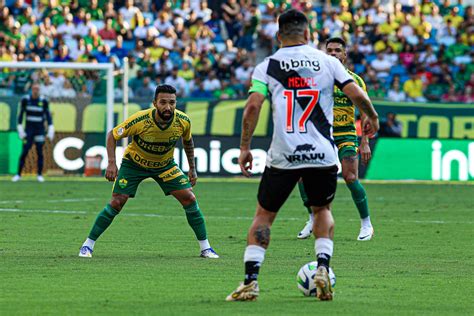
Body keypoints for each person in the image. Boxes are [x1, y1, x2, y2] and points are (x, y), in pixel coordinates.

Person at [226, 10, 379, 302]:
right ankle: (323, 268)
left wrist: (245, 146)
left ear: (278, 35)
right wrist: (372, 116)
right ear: (308, 35)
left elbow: (252, 108)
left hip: (284, 154)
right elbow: (356, 93)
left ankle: (250, 282)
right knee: (323, 211)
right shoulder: (329, 62)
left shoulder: (267, 66)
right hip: (322, 153)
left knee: (264, 216)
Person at [78, 84, 219, 259]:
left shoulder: (183, 121)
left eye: (172, 103)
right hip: (134, 164)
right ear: (154, 103)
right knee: (117, 202)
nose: (168, 107)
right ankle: (87, 245)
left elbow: (188, 142)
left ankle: (206, 248)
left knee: (189, 198)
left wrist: (192, 168)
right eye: (163, 102)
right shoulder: (140, 120)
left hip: (164, 165)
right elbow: (112, 135)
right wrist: (112, 163)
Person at [297, 37, 375, 242]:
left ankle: (366, 223)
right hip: (320, 134)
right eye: (329, 50)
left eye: (337, 50)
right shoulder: (314, 79)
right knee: (302, 175)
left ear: (344, 54)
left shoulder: (355, 81)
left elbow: (365, 111)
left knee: (350, 177)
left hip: (346, 133)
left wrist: (365, 141)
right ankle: (312, 218)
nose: (332, 54)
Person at [12, 83, 54, 182]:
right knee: (24, 152)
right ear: (31, 89)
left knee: (40, 152)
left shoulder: (43, 101)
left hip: (39, 130)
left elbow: (48, 115)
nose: (36, 91)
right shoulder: (26, 100)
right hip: (29, 130)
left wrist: (51, 127)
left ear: (40, 90)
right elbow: (21, 114)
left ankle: (39, 174)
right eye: (34, 89)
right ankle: (18, 174)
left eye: (37, 89)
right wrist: (20, 127)